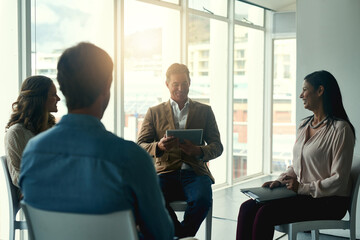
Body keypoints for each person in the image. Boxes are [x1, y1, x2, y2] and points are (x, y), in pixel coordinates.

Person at [19, 42, 174, 240]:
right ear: (107, 86)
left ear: (63, 89)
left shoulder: (33, 152)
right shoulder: (131, 158)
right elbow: (161, 234)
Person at [236, 70, 356, 240]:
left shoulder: (340, 129)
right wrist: (280, 180)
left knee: (265, 214)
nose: (301, 95)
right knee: (247, 208)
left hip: (329, 201)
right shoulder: (304, 125)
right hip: (303, 195)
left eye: (305, 89)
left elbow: (339, 180)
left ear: (320, 91)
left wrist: (302, 188)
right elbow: (297, 165)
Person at [137, 63, 223, 238]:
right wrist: (159, 147)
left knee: (202, 200)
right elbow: (141, 145)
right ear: (167, 84)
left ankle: (178, 236)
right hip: (164, 172)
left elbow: (217, 146)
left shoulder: (205, 111)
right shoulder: (154, 112)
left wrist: (198, 150)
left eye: (184, 83)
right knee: (151, 200)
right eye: (175, 84)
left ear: (190, 82)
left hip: (195, 172)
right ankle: (182, 236)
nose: (180, 88)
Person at [5, 75, 60, 189]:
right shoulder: (16, 133)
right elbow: (19, 177)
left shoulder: (53, 129)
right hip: (36, 197)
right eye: (53, 95)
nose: (58, 98)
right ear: (40, 98)